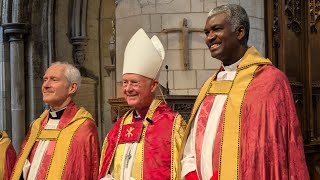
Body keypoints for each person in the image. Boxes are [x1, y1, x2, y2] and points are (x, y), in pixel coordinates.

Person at [180, 4, 310, 180]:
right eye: (206, 32)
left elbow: (274, 152)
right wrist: (191, 175)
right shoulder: (209, 85)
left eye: (216, 29)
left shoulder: (270, 82)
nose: (209, 38)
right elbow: (191, 145)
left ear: (240, 32)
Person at [98, 28, 186, 180]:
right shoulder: (119, 127)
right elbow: (108, 170)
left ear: (153, 86)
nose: (128, 89)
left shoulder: (172, 125)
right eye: (125, 83)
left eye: (134, 83)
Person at [11, 62, 100, 180]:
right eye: (45, 80)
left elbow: (83, 171)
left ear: (72, 87)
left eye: (54, 80)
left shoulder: (82, 126)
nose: (45, 85)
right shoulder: (37, 125)